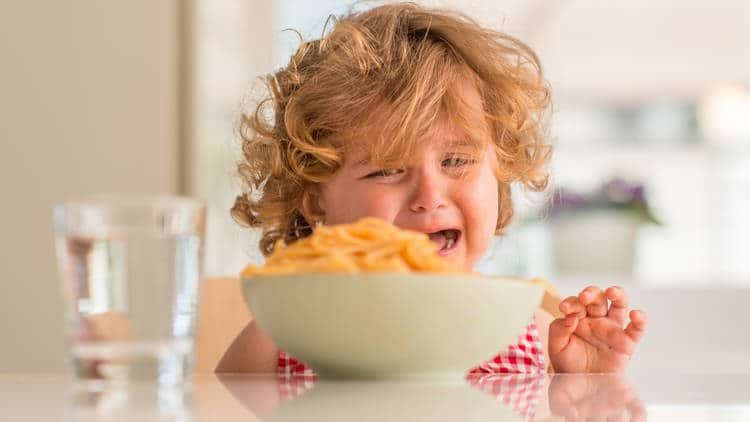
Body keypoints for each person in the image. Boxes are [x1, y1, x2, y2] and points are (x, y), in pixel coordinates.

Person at [218, 2, 647, 375]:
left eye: (456, 161)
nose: (429, 195)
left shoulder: (530, 334)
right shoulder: (281, 340)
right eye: (386, 170)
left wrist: (584, 386)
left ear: (500, 174)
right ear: (315, 201)